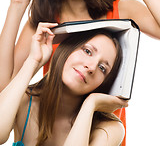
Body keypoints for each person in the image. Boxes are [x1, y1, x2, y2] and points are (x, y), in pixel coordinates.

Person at [0, 0, 160, 145]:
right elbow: (5, 89)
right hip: (52, 132)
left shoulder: (122, 10)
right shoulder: (45, 23)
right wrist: (16, 7)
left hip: (101, 136)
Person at [0, 22, 128, 146]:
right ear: (68, 48)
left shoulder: (110, 128)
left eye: (102, 68)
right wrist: (33, 61)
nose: (92, 67)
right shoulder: (25, 101)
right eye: (87, 51)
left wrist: (90, 104)